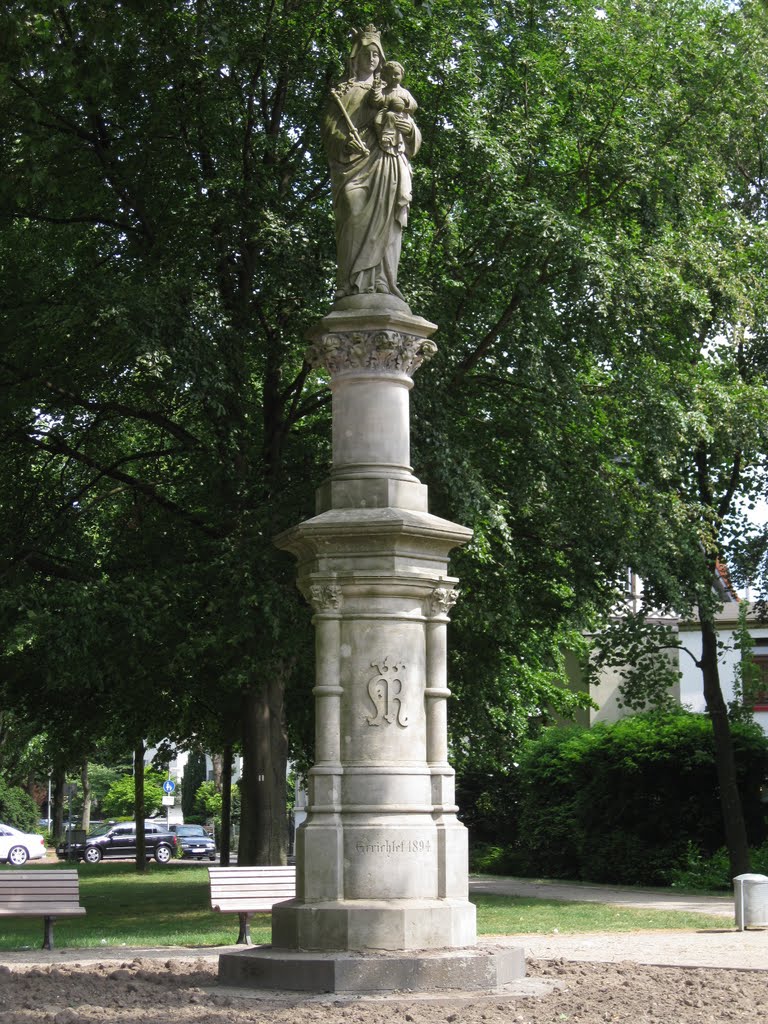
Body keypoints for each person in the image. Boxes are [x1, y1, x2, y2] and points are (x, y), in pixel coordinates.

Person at [322, 26, 421, 301]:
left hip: (386, 163)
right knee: (353, 213)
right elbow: (330, 128)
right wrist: (344, 142)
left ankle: (383, 282)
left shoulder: (393, 92)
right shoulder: (344, 91)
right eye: (368, 53)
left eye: (377, 54)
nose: (373, 58)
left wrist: (409, 130)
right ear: (356, 57)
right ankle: (349, 284)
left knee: (388, 221)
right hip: (353, 165)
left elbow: (409, 127)